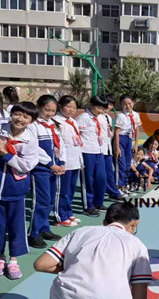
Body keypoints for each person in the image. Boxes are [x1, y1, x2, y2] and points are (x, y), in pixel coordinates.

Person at [0, 102, 39, 280]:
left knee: (16, 227)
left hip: (15, 189)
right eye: (17, 114)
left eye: (25, 117)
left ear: (31, 121)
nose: (20, 119)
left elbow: (26, 166)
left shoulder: (30, 139)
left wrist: (6, 154)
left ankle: (14, 260)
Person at [28, 95, 65, 249]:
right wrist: (50, 164)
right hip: (41, 168)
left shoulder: (53, 125)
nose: (50, 113)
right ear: (38, 107)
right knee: (41, 201)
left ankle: (45, 228)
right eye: (47, 110)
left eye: (53, 110)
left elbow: (60, 145)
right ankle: (33, 233)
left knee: (50, 200)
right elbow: (34, 148)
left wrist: (62, 163)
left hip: (55, 168)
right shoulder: (33, 125)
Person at [53, 95, 83, 227]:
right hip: (64, 161)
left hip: (75, 160)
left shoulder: (73, 121)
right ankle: (60, 216)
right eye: (68, 106)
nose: (71, 110)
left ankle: (68, 212)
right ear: (60, 106)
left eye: (74, 107)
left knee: (70, 189)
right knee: (62, 191)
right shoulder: (56, 122)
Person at [77, 95, 109, 217]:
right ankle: (88, 205)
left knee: (101, 178)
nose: (100, 111)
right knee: (88, 180)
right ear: (92, 105)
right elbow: (77, 134)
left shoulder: (102, 118)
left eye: (103, 109)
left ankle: (98, 202)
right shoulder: (83, 118)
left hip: (99, 151)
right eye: (99, 108)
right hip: (87, 151)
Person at [115, 94, 141, 195]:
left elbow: (137, 130)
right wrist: (117, 147)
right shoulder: (120, 116)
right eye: (125, 104)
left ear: (133, 103)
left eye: (129, 103)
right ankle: (119, 186)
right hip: (120, 139)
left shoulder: (135, 115)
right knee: (120, 165)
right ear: (121, 105)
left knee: (127, 164)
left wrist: (136, 144)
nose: (128, 106)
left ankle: (125, 186)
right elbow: (116, 132)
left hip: (129, 139)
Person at [102, 96, 124, 201]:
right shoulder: (92, 117)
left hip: (107, 149)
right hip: (96, 150)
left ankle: (112, 191)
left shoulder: (108, 118)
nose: (109, 107)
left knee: (109, 171)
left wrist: (114, 147)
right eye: (107, 104)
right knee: (98, 175)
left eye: (111, 105)